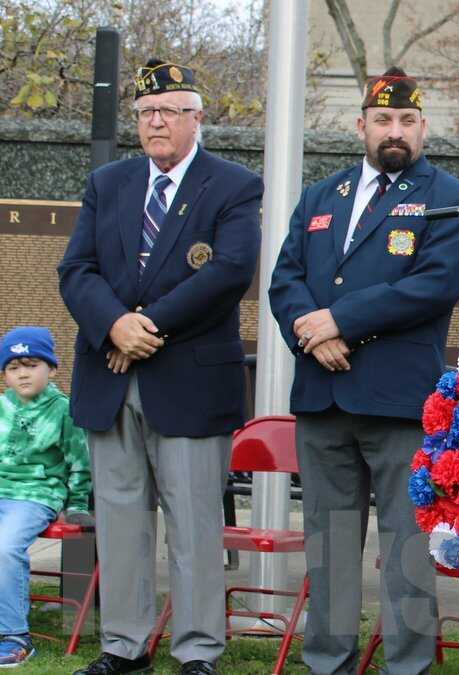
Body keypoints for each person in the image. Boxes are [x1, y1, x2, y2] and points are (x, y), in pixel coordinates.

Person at [269, 66, 459, 675]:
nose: (396, 130)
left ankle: (407, 665)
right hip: (323, 393)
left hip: (398, 402)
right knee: (329, 545)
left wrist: (339, 321)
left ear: (423, 128)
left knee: (406, 547)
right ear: (360, 125)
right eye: (383, 119)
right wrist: (312, 336)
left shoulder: (455, 199)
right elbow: (286, 280)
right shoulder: (320, 197)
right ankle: (328, 661)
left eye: (407, 120)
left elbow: (433, 285)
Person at [58, 58, 263, 675]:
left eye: (170, 111)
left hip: (189, 381)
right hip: (110, 376)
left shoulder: (233, 185)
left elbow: (228, 273)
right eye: (146, 112)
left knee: (194, 523)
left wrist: (143, 328)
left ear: (197, 118)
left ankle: (197, 650)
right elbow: (77, 270)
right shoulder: (108, 183)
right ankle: (125, 646)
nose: (156, 122)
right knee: (120, 521)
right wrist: (113, 325)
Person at [0, 327, 92, 668]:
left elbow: (79, 462)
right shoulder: (1, 406)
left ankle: (15, 637)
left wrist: (78, 504)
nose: (22, 374)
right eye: (13, 367)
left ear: (51, 369)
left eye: (31, 365)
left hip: (35, 494)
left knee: (5, 548)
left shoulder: (64, 410)